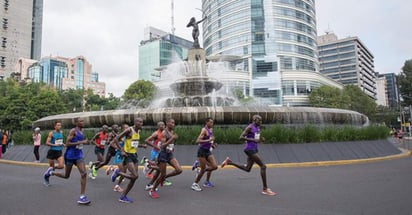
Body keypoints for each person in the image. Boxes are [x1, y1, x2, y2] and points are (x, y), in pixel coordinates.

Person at [221, 115, 277, 196]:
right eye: (259, 121)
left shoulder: (258, 127)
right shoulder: (249, 127)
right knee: (263, 166)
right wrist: (252, 140)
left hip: (255, 149)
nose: (261, 122)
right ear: (254, 120)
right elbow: (241, 137)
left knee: (247, 169)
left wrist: (261, 138)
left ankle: (229, 162)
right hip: (249, 149)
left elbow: (257, 136)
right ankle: (265, 189)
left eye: (261, 121)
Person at [43, 117, 92, 205]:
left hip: (79, 155)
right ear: (76, 123)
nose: (83, 122)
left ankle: (82, 196)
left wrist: (86, 142)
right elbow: (68, 143)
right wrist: (81, 142)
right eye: (81, 121)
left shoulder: (82, 131)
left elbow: (80, 142)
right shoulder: (73, 131)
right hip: (70, 156)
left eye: (83, 121)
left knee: (84, 173)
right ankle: (51, 173)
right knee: (66, 176)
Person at [111, 118, 146, 203]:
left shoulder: (138, 131)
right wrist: (121, 150)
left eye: (142, 122)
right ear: (135, 122)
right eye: (139, 122)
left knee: (134, 178)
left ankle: (123, 196)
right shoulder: (129, 130)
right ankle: (118, 172)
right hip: (128, 155)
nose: (141, 123)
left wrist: (141, 145)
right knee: (135, 175)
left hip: (134, 155)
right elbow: (116, 139)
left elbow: (134, 144)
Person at [148, 118, 183, 199]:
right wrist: (172, 139)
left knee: (179, 170)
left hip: (169, 154)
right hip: (163, 155)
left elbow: (170, 144)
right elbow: (162, 146)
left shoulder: (172, 132)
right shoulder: (164, 133)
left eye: (174, 123)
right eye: (172, 123)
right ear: (167, 123)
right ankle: (152, 190)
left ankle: (164, 178)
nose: (174, 124)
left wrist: (172, 146)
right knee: (162, 174)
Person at [191, 117, 218, 191]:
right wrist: (209, 140)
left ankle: (199, 169)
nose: (212, 124)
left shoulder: (211, 130)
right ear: (207, 122)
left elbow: (210, 140)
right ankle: (195, 184)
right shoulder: (204, 130)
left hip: (208, 151)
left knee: (214, 166)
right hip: (202, 151)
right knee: (204, 169)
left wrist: (212, 144)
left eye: (213, 122)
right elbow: (198, 141)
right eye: (211, 122)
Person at [144, 121, 172, 190]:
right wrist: (155, 146)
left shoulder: (166, 133)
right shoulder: (156, 133)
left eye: (164, 125)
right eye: (161, 125)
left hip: (162, 153)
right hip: (156, 152)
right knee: (159, 168)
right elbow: (147, 140)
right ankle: (148, 165)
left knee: (159, 170)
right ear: (158, 126)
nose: (163, 126)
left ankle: (151, 183)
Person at [43, 121, 65, 186]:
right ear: (54, 126)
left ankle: (50, 170)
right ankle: (46, 179)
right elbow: (47, 143)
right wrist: (55, 145)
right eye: (58, 125)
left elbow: (60, 141)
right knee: (51, 168)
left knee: (61, 166)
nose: (59, 126)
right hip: (52, 151)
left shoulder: (61, 132)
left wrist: (63, 144)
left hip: (59, 152)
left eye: (60, 125)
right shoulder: (51, 133)